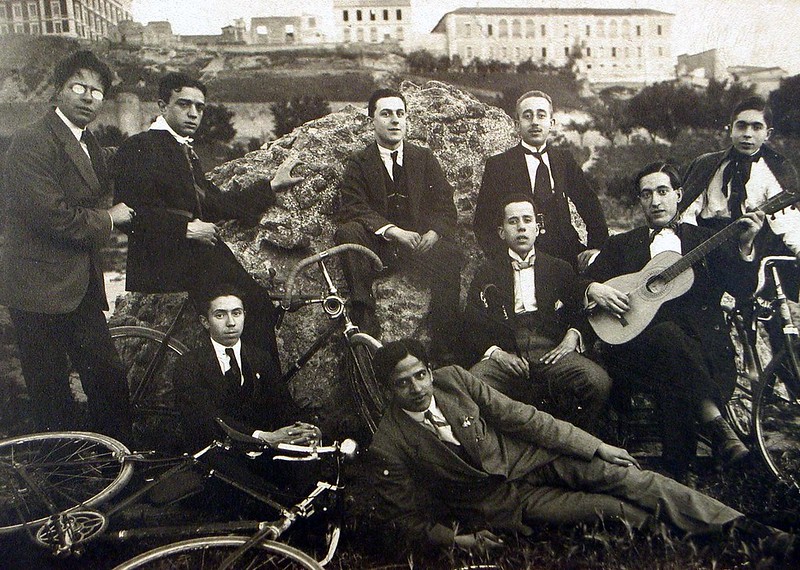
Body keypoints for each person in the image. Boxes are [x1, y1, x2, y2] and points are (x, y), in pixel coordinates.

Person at [368, 338, 794, 557]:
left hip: (536, 458)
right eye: (403, 383)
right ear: (388, 390)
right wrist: (458, 542)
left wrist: (596, 446)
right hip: (504, 499)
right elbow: (402, 519)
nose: (417, 388)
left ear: (428, 370)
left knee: (629, 477)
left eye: (420, 375)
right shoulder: (388, 444)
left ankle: (753, 531)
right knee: (614, 511)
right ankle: (699, 535)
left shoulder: (454, 379)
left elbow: (525, 418)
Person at [584, 161, 765, 481]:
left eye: (663, 192)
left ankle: (676, 473)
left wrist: (747, 245)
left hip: (705, 352)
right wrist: (593, 287)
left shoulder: (708, 239)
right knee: (666, 336)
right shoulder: (620, 245)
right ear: (639, 201)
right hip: (633, 350)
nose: (655, 201)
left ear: (679, 195)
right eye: (646, 194)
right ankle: (717, 427)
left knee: (671, 359)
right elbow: (581, 287)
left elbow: (741, 289)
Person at [113, 72, 303, 369]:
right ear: (162, 106)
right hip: (166, 259)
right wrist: (185, 229)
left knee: (257, 309)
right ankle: (266, 405)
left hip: (194, 255)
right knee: (254, 308)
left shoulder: (184, 150)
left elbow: (215, 203)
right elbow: (127, 212)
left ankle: (252, 396)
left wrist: (270, 187)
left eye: (199, 107)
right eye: (184, 104)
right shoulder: (140, 146)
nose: (193, 113)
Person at [0, 51, 134, 442]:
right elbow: (55, 217)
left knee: (107, 378)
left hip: (79, 286)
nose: (88, 97)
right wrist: (111, 218)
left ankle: (119, 465)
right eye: (78, 87)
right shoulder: (32, 141)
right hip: (37, 289)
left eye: (96, 91)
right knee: (51, 392)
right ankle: (60, 486)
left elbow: (105, 172)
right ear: (57, 90)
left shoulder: (86, 140)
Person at [334, 88, 462, 361]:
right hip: (378, 247)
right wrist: (393, 232)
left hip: (417, 249)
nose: (395, 120)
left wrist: (433, 233)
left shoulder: (423, 158)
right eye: (386, 114)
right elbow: (353, 206)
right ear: (372, 121)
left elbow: (445, 204)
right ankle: (365, 319)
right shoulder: (359, 162)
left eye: (400, 114)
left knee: (451, 253)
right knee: (348, 232)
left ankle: (444, 340)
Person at [464, 195, 610, 433]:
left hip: (551, 350)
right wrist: (497, 354)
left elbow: (579, 309)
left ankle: (574, 443)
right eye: (513, 222)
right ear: (501, 232)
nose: (521, 227)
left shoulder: (559, 268)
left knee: (597, 382)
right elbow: (472, 322)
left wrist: (572, 336)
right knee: (473, 384)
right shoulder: (486, 272)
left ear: (538, 228)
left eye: (527, 220)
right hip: (508, 351)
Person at [174, 284, 319, 452]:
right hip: (216, 455)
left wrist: (309, 429)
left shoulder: (260, 358)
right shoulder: (189, 365)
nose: (231, 323)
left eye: (236, 313)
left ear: (244, 315)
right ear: (205, 321)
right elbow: (206, 421)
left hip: (261, 455)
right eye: (220, 315)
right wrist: (261, 436)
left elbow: (284, 406)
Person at [474, 90, 608, 272]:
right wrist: (504, 259)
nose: (535, 122)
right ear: (517, 124)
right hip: (521, 255)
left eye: (541, 115)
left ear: (551, 123)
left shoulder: (564, 160)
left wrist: (596, 247)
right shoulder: (499, 165)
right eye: (527, 116)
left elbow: (589, 203)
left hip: (566, 253)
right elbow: (483, 221)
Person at [681, 96, 800, 289]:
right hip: (706, 248)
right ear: (730, 129)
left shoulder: (777, 170)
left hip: (752, 249)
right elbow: (687, 215)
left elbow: (789, 223)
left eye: (756, 127)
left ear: (768, 133)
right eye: (741, 126)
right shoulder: (707, 165)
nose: (747, 134)